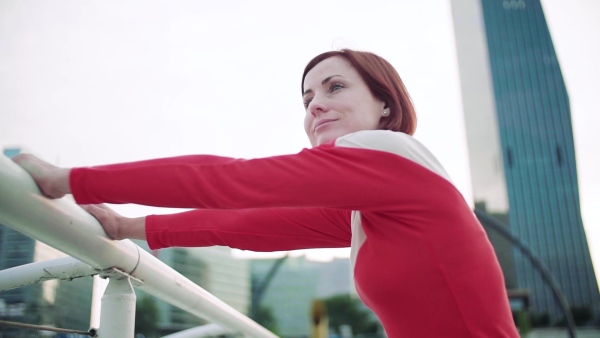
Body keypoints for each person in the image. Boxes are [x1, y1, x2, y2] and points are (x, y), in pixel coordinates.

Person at [14, 49, 519, 337]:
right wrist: (130, 228)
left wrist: (69, 179)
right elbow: (249, 225)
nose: (316, 105)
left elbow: (231, 181)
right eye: (307, 98)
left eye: (335, 87)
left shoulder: (390, 150)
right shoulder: (371, 208)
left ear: (386, 105)